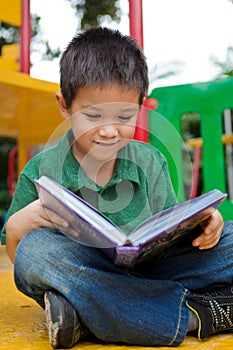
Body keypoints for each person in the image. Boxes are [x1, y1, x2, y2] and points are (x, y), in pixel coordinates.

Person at [2, 26, 233, 349]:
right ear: (65, 106)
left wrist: (207, 225)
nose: (109, 131)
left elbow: (171, 232)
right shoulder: (41, 170)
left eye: (125, 116)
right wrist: (15, 230)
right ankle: (198, 313)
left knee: (231, 238)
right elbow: (25, 266)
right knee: (37, 251)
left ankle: (88, 317)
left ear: (140, 106)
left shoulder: (150, 161)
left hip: (150, 272)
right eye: (93, 115)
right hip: (80, 271)